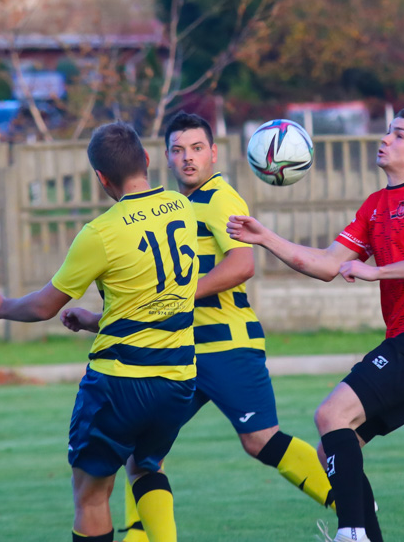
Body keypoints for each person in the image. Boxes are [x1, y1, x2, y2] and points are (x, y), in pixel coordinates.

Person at [61, 112, 334, 542]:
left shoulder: (220, 198)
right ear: (163, 158)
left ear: (214, 153)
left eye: (197, 148)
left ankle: (352, 506)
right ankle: (139, 535)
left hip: (226, 343)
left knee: (260, 440)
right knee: (142, 454)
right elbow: (144, 298)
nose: (187, 158)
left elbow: (242, 264)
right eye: (178, 149)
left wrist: (180, 295)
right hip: (182, 350)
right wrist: (100, 319)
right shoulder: (171, 207)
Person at [227, 108, 404, 542]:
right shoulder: (375, 207)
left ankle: (351, 532)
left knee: (330, 413)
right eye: (388, 131)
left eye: (398, 135)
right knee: (334, 447)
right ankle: (366, 535)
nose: (386, 138)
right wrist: (266, 238)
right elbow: (325, 264)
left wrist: (377, 272)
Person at [0, 122, 199, 542]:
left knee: (91, 497)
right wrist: (96, 320)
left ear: (101, 178)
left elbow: (44, 305)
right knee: (145, 467)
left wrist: (1, 307)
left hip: (120, 383)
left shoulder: (102, 232)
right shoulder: (183, 208)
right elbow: (156, 296)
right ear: (147, 160)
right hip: (179, 379)